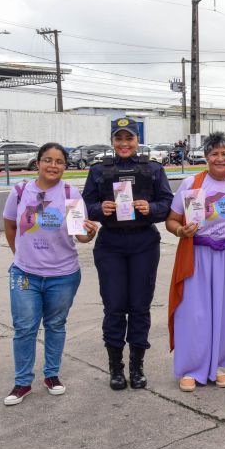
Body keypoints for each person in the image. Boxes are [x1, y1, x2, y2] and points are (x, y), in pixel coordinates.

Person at [2, 142, 98, 405]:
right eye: (47, 160)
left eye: (58, 161)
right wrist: (19, 255)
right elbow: (10, 225)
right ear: (38, 163)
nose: (52, 166)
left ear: (65, 167)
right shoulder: (21, 190)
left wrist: (89, 234)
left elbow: (80, 235)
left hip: (63, 275)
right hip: (25, 274)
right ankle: (22, 382)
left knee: (55, 325)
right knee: (24, 328)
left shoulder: (71, 194)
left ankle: (52, 375)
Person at [82, 118, 174, 391]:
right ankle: (116, 368)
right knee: (114, 306)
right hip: (110, 244)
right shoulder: (99, 170)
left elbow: (167, 202)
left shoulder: (153, 169)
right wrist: (101, 209)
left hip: (143, 243)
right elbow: (85, 203)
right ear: (112, 141)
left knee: (139, 306)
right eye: (119, 139)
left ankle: (137, 366)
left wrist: (151, 209)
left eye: (129, 139)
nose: (124, 144)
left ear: (137, 140)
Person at [166, 132, 225, 392]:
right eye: (215, 153)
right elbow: (171, 220)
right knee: (194, 313)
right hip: (197, 256)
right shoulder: (193, 183)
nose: (220, 158)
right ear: (206, 156)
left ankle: (218, 366)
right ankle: (191, 368)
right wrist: (181, 231)